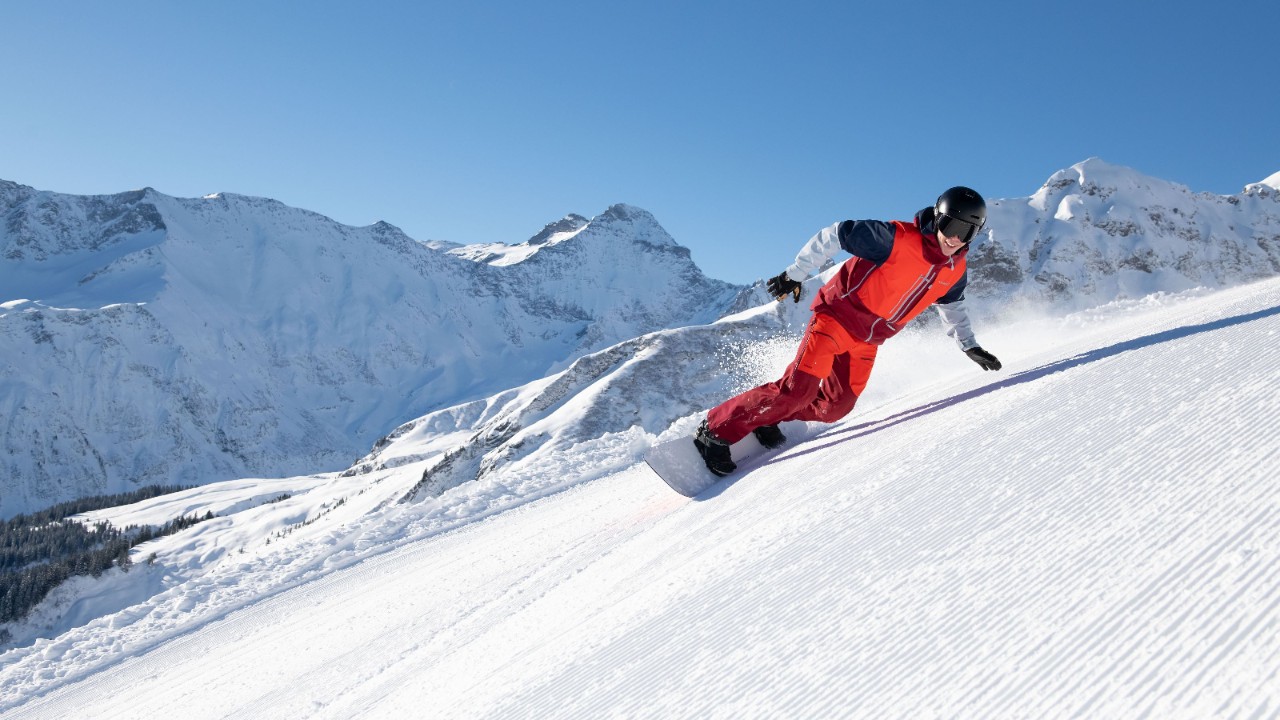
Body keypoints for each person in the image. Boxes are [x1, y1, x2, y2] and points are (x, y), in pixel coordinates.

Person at [694, 186, 1003, 476]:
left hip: (868, 341)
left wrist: (968, 345)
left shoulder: (955, 271)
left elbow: (953, 307)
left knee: (834, 408)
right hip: (836, 319)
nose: (954, 238)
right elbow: (836, 234)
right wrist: (795, 274)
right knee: (797, 392)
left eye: (966, 232)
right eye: (951, 227)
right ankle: (716, 430)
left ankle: (769, 416)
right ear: (937, 218)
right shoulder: (896, 238)